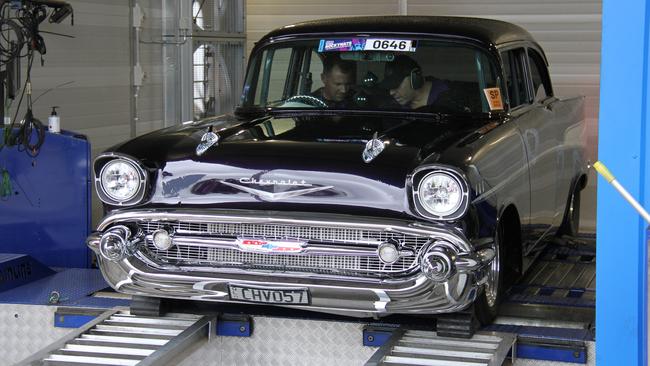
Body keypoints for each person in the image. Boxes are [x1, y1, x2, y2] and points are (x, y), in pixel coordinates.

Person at [381, 55, 448, 110]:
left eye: (396, 85)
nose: (391, 92)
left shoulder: (450, 100)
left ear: (415, 78)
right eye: (389, 87)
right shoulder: (392, 107)